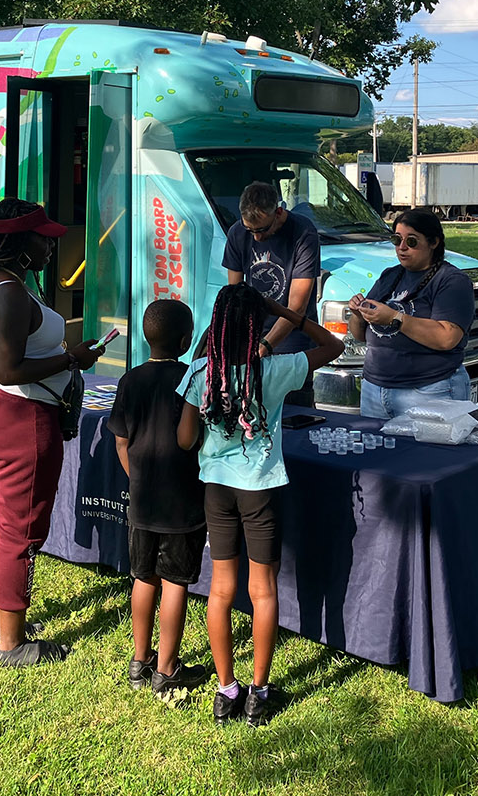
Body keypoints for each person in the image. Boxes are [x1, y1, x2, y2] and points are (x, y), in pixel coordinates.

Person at [177, 285, 343, 727]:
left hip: (216, 488)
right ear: (258, 327)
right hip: (261, 488)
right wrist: (284, 312)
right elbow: (334, 345)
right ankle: (259, 693)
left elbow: (184, 439)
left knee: (221, 589)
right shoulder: (277, 369)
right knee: (262, 589)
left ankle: (226, 689)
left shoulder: (198, 374)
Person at [0, 197, 102, 667]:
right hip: (21, 417)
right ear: (23, 243)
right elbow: (11, 366)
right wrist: (72, 358)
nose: (52, 246)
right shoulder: (13, 294)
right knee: (19, 531)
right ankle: (12, 645)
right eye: (45, 239)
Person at [108, 299, 211, 698]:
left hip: (142, 501)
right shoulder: (194, 379)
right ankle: (167, 669)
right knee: (175, 582)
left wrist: (138, 478)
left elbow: (120, 439)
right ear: (187, 340)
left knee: (143, 576)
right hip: (183, 503)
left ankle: (140, 660)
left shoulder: (130, 380)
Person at [347, 209, 475, 417]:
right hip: (375, 389)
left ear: (433, 242)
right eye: (396, 240)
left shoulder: (451, 281)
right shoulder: (390, 275)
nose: (402, 247)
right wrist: (357, 314)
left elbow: (447, 337)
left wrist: (395, 318)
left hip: (429, 389)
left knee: (426, 450)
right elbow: (360, 335)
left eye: (412, 241)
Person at [222, 181, 321, 402]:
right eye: (251, 230)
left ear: (278, 212)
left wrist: (265, 345)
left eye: (262, 230)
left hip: (294, 341)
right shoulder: (238, 232)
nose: (256, 238)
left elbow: (297, 307)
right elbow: (234, 296)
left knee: (293, 414)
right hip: (252, 336)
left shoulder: (303, 232)